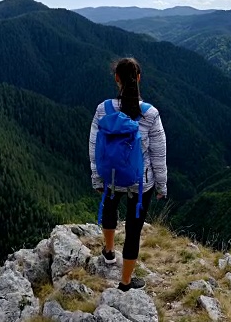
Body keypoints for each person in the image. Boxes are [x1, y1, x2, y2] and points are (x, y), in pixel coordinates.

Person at [88, 57, 168, 291]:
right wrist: (162, 186)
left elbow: (94, 145)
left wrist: (96, 176)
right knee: (133, 230)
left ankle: (109, 251)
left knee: (110, 211)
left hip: (110, 177)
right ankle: (125, 282)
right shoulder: (151, 114)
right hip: (141, 182)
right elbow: (158, 155)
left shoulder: (104, 109)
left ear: (117, 79)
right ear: (139, 78)